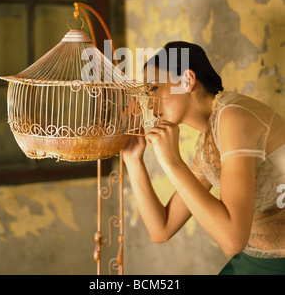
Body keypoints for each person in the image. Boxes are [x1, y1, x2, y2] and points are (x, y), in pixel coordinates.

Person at [122, 41, 285, 275]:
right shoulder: (209, 143)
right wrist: (133, 159)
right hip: (254, 260)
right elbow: (161, 229)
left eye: (154, 89)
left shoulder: (233, 116)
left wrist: (172, 161)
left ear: (187, 81)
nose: (149, 103)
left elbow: (232, 240)